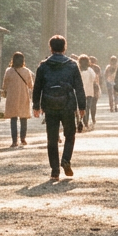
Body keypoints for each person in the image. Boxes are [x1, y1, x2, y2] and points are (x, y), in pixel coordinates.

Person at [33, 35, 88, 180]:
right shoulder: (72, 65)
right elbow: (79, 87)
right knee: (70, 135)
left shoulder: (43, 65)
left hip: (49, 105)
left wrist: (36, 105)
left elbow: (37, 87)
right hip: (68, 105)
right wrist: (82, 106)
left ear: (50, 48)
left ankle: (55, 171)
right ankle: (66, 160)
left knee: (52, 138)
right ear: (65, 47)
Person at [2, 52, 33, 148]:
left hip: (12, 97)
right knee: (23, 118)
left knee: (13, 119)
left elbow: (4, 86)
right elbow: (31, 85)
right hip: (23, 96)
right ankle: (23, 138)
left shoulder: (9, 71)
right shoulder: (27, 71)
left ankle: (14, 141)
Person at [78, 55, 100, 129]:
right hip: (89, 92)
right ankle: (86, 123)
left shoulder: (77, 70)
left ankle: (79, 121)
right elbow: (94, 79)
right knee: (87, 108)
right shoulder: (90, 70)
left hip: (79, 92)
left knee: (79, 108)